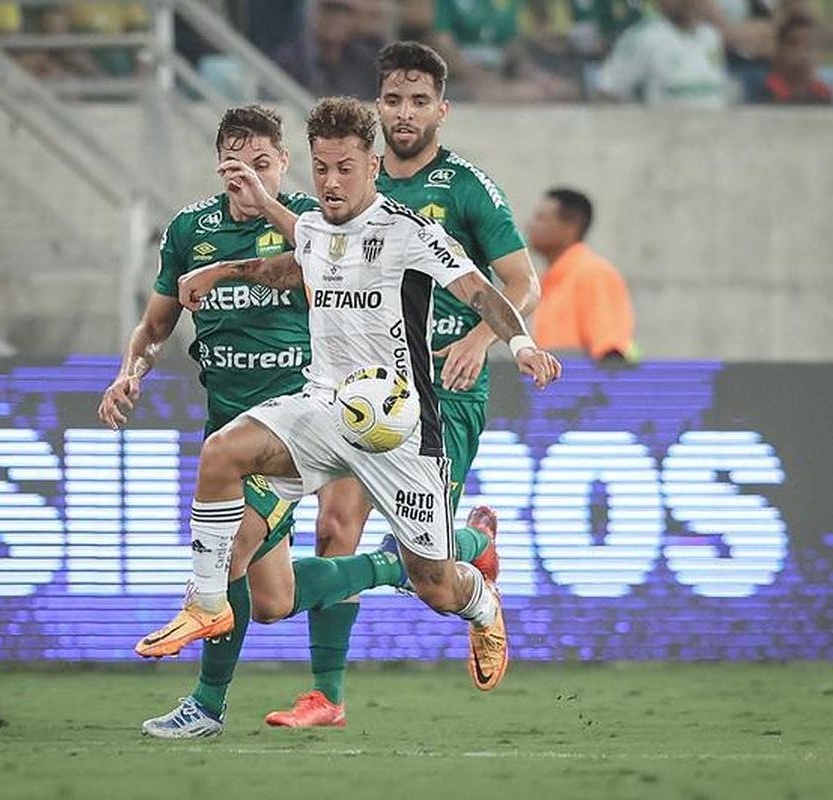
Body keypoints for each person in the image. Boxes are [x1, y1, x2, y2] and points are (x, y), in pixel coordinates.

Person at [157, 95, 561, 715]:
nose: (331, 182)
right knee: (221, 453)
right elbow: (292, 264)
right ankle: (206, 604)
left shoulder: (410, 232)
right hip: (325, 408)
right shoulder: (315, 225)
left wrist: (522, 342)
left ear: (372, 165)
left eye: (345, 168)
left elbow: (481, 290)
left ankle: (478, 596)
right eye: (321, 168)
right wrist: (224, 273)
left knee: (432, 582)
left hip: (399, 428)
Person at [98, 106, 423, 738]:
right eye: (233, 166)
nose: (246, 177)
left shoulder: (313, 221)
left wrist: (265, 217)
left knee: (231, 554)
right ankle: (395, 567)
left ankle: (206, 707)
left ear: (284, 163)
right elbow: (156, 322)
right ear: (218, 165)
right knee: (273, 601)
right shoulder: (191, 230)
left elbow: (332, 274)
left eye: (261, 164)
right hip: (229, 424)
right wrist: (130, 370)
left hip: (298, 428)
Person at [527, 188, 636, 363]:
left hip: (582, 389)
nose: (530, 224)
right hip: (554, 388)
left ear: (571, 225)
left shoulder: (593, 273)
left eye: (541, 218)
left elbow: (611, 354)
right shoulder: (549, 281)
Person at [594, 0, 731, 107]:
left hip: (714, 135)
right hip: (663, 137)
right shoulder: (643, 37)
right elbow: (607, 92)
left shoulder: (711, 36)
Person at [274, 0, 383, 99]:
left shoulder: (365, 62)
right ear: (314, 14)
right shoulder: (291, 60)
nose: (335, 19)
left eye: (344, 13)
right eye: (328, 10)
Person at [753, 12, 833, 103]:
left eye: (810, 45)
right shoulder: (762, 92)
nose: (803, 53)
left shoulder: (825, 94)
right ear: (779, 49)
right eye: (794, 44)